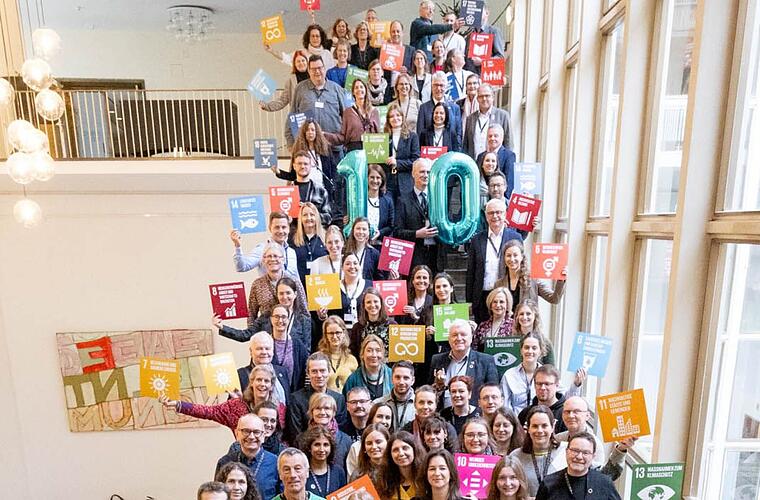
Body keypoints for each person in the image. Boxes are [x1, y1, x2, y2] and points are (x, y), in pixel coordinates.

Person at [159, 364, 284, 435]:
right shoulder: (237, 407)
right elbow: (208, 411)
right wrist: (178, 404)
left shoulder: (280, 409)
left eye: (266, 381)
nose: (262, 384)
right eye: (259, 380)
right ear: (251, 382)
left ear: (272, 385)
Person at [467, 198, 524, 324]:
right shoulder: (477, 240)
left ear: (505, 214)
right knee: (482, 333)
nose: (495, 216)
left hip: (507, 297)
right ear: (486, 216)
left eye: (499, 212)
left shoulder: (515, 237)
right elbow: (471, 271)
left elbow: (522, 265)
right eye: (491, 213)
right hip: (482, 297)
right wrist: (469, 301)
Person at [555, 396, 634, 481]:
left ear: (587, 415)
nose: (571, 416)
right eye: (567, 412)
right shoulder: (558, 439)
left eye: (576, 411)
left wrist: (621, 449)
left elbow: (601, 476)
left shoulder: (595, 444)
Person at [431, 319, 499, 408]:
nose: (459, 338)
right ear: (449, 339)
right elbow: (429, 391)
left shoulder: (486, 361)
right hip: (444, 414)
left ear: (471, 338)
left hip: (476, 414)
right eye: (454, 335)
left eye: (463, 335)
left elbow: (493, 393)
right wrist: (438, 386)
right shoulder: (437, 360)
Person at [535, 432, 622, 500]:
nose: (579, 457)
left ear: (593, 456)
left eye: (585, 453)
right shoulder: (549, 483)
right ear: (566, 452)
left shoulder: (604, 483)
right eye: (575, 451)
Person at [286, 352, 349, 443]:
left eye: (322, 370)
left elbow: (341, 432)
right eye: (314, 371)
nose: (319, 375)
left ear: (329, 372)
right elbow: (296, 435)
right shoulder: (296, 399)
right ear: (308, 374)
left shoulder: (339, 399)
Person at [395, 158, 444, 275]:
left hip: (436, 256)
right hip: (413, 258)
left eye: (428, 172)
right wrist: (417, 234)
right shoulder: (403, 201)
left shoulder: (439, 199)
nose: (426, 175)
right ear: (413, 174)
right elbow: (397, 232)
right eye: (422, 171)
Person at [216, 414, 281, 500]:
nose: (251, 437)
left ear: (263, 435)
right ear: (237, 433)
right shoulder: (225, 462)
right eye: (246, 431)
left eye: (256, 432)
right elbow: (217, 496)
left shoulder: (276, 463)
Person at [239, 277, 312, 352]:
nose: (284, 297)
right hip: (269, 359)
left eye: (288, 293)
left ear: (295, 294)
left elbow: (306, 350)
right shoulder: (266, 317)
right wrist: (229, 329)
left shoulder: (303, 320)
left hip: (294, 359)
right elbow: (245, 335)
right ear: (277, 295)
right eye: (281, 293)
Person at [288, 55, 346, 148]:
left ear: (324, 69)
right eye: (313, 69)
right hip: (308, 148)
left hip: (333, 148)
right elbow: (292, 117)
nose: (317, 71)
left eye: (319, 68)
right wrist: (291, 144)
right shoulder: (300, 89)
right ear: (308, 71)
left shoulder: (336, 89)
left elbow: (346, 117)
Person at [494, 240, 567, 314]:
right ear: (504, 258)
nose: (512, 259)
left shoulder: (533, 280)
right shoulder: (498, 284)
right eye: (508, 255)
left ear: (522, 257)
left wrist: (560, 279)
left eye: (515, 255)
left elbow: (554, 299)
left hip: (527, 321)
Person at [508, 406, 567, 496]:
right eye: (535, 426)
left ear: (552, 427)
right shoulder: (516, 456)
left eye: (544, 426)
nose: (539, 430)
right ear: (528, 428)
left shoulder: (566, 451)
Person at [245, 243, 309, 326]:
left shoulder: (294, 281)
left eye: (276, 256)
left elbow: (304, 312)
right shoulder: (257, 284)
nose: (272, 259)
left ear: (283, 259)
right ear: (263, 260)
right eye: (269, 256)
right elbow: (251, 315)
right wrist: (253, 332)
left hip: (293, 330)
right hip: (267, 332)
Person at [517, 365, 586, 434]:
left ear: (557, 385)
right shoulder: (525, 413)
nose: (543, 388)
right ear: (534, 385)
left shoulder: (566, 414)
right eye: (539, 384)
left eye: (547, 384)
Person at [231, 211, 298, 279]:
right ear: (270, 228)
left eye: (284, 227)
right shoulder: (262, 249)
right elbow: (241, 267)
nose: (281, 231)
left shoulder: (291, 252)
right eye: (277, 227)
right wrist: (237, 246)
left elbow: (296, 278)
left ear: (288, 229)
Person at [419, 272, 458, 380]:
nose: (441, 290)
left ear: (451, 288)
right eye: (438, 287)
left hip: (452, 356)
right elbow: (418, 337)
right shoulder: (427, 311)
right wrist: (426, 334)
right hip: (430, 357)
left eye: (445, 286)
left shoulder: (459, 311)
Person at [316, 253, 372, 328]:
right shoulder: (333, 286)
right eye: (348, 264)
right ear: (342, 267)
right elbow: (329, 317)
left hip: (364, 331)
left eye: (355, 263)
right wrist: (323, 315)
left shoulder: (370, 285)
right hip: (340, 331)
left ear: (360, 266)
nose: (352, 266)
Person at [324, 79, 379, 152]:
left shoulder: (374, 111)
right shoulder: (348, 112)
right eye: (356, 87)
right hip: (354, 151)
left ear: (366, 89)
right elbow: (343, 137)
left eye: (361, 87)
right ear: (353, 92)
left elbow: (378, 135)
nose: (359, 89)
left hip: (371, 150)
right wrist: (324, 135)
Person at [236, 332, 290, 403]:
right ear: (251, 351)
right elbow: (232, 404)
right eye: (259, 349)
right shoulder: (240, 375)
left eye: (267, 348)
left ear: (273, 351)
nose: (264, 352)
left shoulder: (282, 371)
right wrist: (238, 401)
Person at [304, 393, 353, 471]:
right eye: (318, 408)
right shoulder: (301, 439)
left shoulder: (345, 440)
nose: (322, 412)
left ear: (334, 412)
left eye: (327, 408)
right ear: (312, 412)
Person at [384, 102, 421, 201]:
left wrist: (397, 163)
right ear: (388, 120)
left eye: (398, 115)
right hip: (388, 182)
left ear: (402, 117)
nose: (395, 118)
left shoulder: (412, 136)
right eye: (392, 116)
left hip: (406, 182)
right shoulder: (384, 137)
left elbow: (415, 161)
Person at [260, 49, 310, 122]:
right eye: (298, 61)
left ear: (307, 62)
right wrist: (267, 106)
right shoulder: (290, 81)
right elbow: (282, 100)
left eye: (303, 60)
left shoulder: (314, 78)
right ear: (294, 64)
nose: (301, 63)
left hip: (314, 116)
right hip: (298, 117)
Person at [464, 84, 514, 157]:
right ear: (477, 99)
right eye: (481, 96)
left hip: (495, 162)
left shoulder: (503, 116)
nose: (484, 99)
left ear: (492, 97)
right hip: (474, 162)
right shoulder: (470, 119)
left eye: (487, 96)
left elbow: (508, 143)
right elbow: (466, 145)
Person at [500, 333, 544, 415]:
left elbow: (560, 398)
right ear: (521, 350)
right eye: (526, 347)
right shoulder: (509, 375)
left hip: (539, 421)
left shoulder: (547, 375)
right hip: (515, 421)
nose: (530, 351)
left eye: (534, 348)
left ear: (540, 351)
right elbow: (505, 406)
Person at [346, 402, 394, 476]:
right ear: (371, 418)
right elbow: (352, 478)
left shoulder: (395, 446)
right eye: (379, 416)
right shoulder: (356, 447)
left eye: (388, 417)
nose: (383, 421)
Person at [299, 426, 348, 496]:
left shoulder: (338, 472)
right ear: (309, 448)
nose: (321, 449)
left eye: (326, 445)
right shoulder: (302, 472)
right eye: (317, 445)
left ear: (331, 448)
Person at [343, 334, 393, 401]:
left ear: (383, 354)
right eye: (369, 350)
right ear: (362, 354)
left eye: (378, 350)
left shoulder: (392, 376)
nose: (374, 355)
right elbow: (346, 403)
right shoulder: (353, 379)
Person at [349, 287, 397, 358]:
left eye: (375, 301)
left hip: (387, 365)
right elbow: (353, 353)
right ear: (364, 305)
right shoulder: (357, 327)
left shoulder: (392, 325)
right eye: (368, 302)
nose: (372, 305)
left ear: (381, 303)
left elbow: (397, 351)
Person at [417, 72, 463, 144]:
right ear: (431, 86)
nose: (438, 88)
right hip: (429, 150)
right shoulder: (423, 108)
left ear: (446, 87)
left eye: (441, 85)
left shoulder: (455, 108)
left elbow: (458, 133)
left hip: (450, 150)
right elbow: (420, 134)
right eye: (436, 85)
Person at [290, 152, 333, 226]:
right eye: (299, 163)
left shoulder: (321, 191)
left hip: (315, 232)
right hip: (294, 231)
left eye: (306, 164)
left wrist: (311, 213)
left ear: (310, 166)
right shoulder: (286, 192)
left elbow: (328, 218)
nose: (302, 166)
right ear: (294, 166)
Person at [380, 431, 425, 500]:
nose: (401, 453)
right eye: (395, 450)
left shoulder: (425, 479)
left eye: (405, 448)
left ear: (414, 450)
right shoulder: (385, 483)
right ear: (390, 455)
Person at [318, 315, 359, 392]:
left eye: (338, 332)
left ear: (343, 333)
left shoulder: (351, 359)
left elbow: (356, 387)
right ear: (326, 335)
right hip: (324, 398)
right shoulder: (318, 358)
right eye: (331, 333)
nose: (334, 336)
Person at [475, 124, 516, 201]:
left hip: (499, 202)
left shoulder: (509, 156)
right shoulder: (480, 156)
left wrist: (501, 203)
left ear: (502, 138)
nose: (492, 138)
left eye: (495, 136)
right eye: (490, 136)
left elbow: (509, 183)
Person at [290, 203, 328, 286]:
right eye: (305, 215)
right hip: (300, 286)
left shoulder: (326, 237)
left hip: (322, 285)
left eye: (312, 215)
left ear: (317, 217)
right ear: (300, 218)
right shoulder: (293, 239)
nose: (309, 218)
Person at [375, 360, 417, 432]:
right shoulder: (377, 404)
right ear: (391, 379)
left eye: (406, 378)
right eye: (397, 377)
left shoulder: (420, 406)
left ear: (413, 380)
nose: (401, 382)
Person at [463, 4, 506, 74]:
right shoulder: (469, 34)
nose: (476, 14)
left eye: (479, 11)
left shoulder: (494, 31)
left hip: (486, 75)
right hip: (470, 76)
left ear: (487, 13)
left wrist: (483, 62)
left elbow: (500, 57)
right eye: (474, 12)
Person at [512, 300, 555, 365]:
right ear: (517, 317)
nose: (524, 317)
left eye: (528, 314)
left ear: (535, 316)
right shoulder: (511, 341)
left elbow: (551, 368)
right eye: (521, 314)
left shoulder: (545, 342)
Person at [366, 163, 396, 249]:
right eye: (372, 177)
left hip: (380, 246)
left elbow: (391, 226)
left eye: (378, 177)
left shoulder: (388, 201)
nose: (375, 181)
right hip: (362, 245)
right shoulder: (360, 200)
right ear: (366, 178)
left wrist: (380, 233)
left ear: (382, 180)